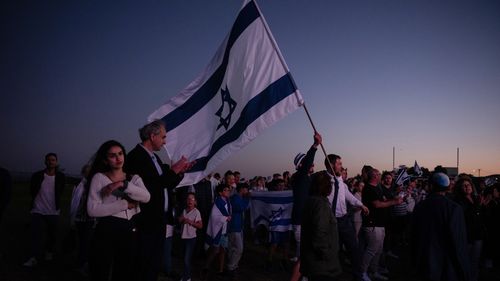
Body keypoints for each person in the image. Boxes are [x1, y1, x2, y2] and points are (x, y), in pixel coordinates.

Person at [124, 120, 194, 281]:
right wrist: (174, 169)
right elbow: (151, 186)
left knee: (154, 264)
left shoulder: (155, 158)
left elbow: (167, 183)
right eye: (163, 137)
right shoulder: (136, 157)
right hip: (145, 221)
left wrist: (181, 172)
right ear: (152, 135)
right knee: (142, 264)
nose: (165, 141)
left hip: (159, 221)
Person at [86, 140, 151, 281]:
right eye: (112, 155)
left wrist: (123, 184)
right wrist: (124, 204)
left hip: (129, 228)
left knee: (124, 270)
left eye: (120, 154)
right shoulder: (99, 178)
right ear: (105, 159)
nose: (118, 158)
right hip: (107, 227)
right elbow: (92, 210)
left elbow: (146, 197)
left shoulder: (134, 178)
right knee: (100, 270)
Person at [411, 172, 472, 281]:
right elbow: (458, 242)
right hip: (446, 264)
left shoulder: (420, 206)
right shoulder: (454, 208)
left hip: (423, 261)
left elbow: (413, 235)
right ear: (448, 187)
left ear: (430, 186)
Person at [324, 154, 368, 281]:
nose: (341, 166)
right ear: (331, 165)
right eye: (339, 164)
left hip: (344, 221)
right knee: (333, 250)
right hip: (331, 221)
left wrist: (361, 204)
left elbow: (349, 196)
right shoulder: (324, 181)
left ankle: (358, 275)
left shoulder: (340, 182)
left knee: (354, 248)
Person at [23, 153, 66, 267]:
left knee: (52, 235)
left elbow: (60, 190)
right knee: (35, 235)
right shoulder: (37, 175)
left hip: (53, 211)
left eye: (53, 160)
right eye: (48, 160)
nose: (50, 162)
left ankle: (49, 252)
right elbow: (32, 190)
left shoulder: (61, 176)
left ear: (56, 162)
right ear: (45, 162)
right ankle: (33, 257)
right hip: (37, 209)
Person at [289, 132, 321, 281]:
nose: (313, 165)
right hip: (301, 222)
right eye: (309, 163)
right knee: (305, 255)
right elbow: (308, 162)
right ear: (301, 165)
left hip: (305, 221)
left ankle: (304, 277)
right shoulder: (300, 177)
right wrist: (315, 146)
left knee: (304, 254)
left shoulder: (307, 178)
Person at [360, 168, 403, 281]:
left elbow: (383, 200)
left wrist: (393, 199)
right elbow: (377, 204)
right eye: (379, 174)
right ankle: (362, 272)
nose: (381, 176)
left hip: (380, 223)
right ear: (374, 176)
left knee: (378, 250)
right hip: (372, 224)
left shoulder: (377, 188)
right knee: (371, 250)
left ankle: (374, 271)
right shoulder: (369, 188)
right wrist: (394, 202)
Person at [300, 171, 342, 281]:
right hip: (321, 265)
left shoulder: (311, 201)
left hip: (313, 262)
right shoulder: (320, 204)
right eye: (330, 184)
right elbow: (319, 233)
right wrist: (327, 254)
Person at [453, 175, 485, 281]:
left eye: (468, 185)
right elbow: (467, 216)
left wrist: (481, 205)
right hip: (467, 235)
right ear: (460, 188)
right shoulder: (459, 201)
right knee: (466, 260)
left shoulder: (475, 198)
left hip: (478, 234)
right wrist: (478, 206)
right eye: (464, 186)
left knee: (475, 261)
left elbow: (479, 215)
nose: (467, 187)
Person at [69, 164, 94, 273]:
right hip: (81, 219)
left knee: (87, 243)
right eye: (87, 172)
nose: (89, 174)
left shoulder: (93, 185)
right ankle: (82, 264)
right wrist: (72, 220)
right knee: (84, 243)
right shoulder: (79, 185)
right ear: (84, 173)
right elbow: (74, 203)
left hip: (91, 220)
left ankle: (83, 263)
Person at [203, 184, 232, 279]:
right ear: (220, 193)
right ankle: (206, 267)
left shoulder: (227, 201)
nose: (228, 191)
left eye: (228, 190)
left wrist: (227, 218)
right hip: (218, 230)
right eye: (225, 190)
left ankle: (221, 270)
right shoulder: (218, 202)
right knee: (215, 250)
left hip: (224, 230)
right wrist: (225, 218)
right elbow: (213, 216)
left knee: (223, 250)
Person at [227, 182, 250, 278]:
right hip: (234, 227)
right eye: (246, 189)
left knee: (233, 248)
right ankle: (231, 267)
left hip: (238, 226)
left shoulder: (239, 198)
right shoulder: (235, 198)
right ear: (242, 189)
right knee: (239, 249)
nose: (247, 191)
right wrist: (247, 198)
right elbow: (241, 208)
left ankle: (233, 266)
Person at [178, 192, 203, 281]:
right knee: (183, 258)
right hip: (183, 237)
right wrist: (181, 219)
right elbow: (179, 219)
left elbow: (200, 225)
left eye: (192, 199)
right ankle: (185, 275)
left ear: (195, 202)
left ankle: (187, 277)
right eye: (188, 199)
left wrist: (190, 222)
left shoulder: (196, 212)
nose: (190, 201)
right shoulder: (184, 210)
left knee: (186, 259)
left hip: (191, 238)